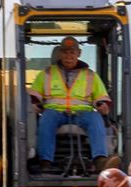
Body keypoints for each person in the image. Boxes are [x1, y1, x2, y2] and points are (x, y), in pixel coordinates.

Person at [28, 38, 112, 171]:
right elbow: (34, 95)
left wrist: (103, 105)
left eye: (72, 52)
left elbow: (102, 97)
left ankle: (100, 160)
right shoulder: (47, 73)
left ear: (79, 53)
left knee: (95, 119)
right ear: (60, 54)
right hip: (54, 112)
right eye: (65, 52)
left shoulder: (91, 75)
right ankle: (45, 161)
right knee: (46, 119)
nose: (69, 56)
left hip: (82, 113)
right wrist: (36, 104)